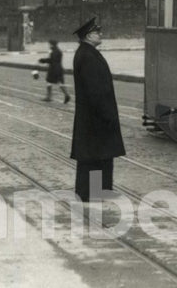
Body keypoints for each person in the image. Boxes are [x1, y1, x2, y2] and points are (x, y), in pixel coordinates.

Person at [69, 17, 125, 202]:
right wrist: (107, 115)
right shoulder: (88, 56)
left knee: (97, 155)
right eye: (97, 32)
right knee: (95, 155)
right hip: (96, 117)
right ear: (88, 35)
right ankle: (94, 192)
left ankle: (97, 191)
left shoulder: (87, 53)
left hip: (92, 117)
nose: (101, 34)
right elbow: (96, 90)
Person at [38, 39, 70, 103]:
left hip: (53, 69)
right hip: (59, 69)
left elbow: (52, 60)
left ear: (51, 44)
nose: (48, 45)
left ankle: (49, 97)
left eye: (49, 44)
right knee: (60, 82)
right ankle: (66, 94)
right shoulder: (58, 50)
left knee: (48, 81)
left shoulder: (54, 51)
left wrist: (43, 60)